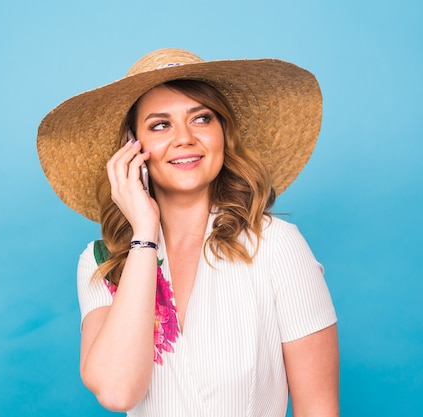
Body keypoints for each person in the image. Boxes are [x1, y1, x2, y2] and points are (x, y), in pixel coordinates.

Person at [37, 48, 339, 417]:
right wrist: (145, 233)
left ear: (223, 134)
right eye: (160, 125)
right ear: (132, 148)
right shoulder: (102, 261)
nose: (184, 139)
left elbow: (318, 409)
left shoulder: (276, 245)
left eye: (201, 119)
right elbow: (118, 393)